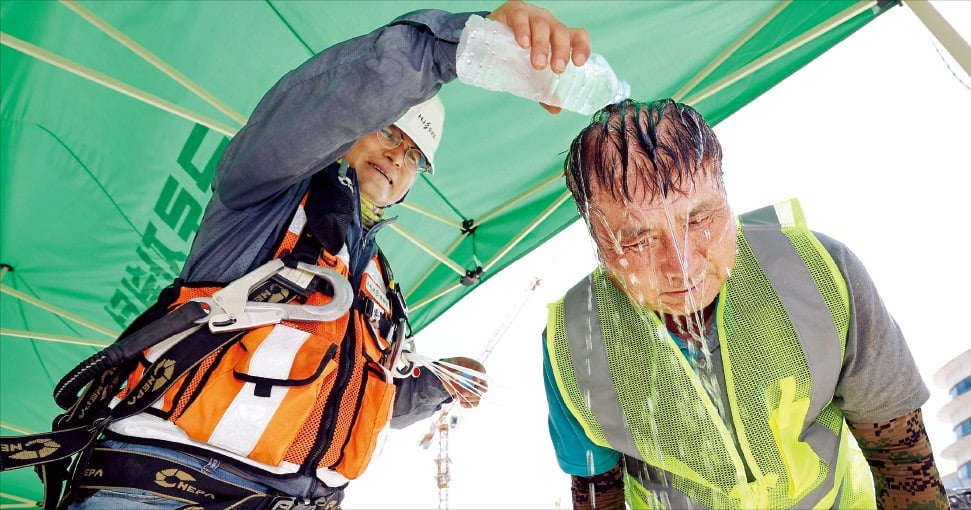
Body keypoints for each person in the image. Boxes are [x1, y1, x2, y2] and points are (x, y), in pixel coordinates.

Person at [4, 2, 589, 509]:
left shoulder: (379, 285)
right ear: (355, 133)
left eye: (414, 155)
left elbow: (341, 395)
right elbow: (321, 107)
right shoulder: (264, 194)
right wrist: (458, 46)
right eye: (388, 133)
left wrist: (436, 388)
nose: (396, 157)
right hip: (161, 489)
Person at [543, 99, 949, 509]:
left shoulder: (820, 271)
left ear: (725, 194)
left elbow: (902, 459)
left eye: (700, 220)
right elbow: (597, 496)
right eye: (638, 240)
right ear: (596, 241)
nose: (682, 266)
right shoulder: (575, 340)